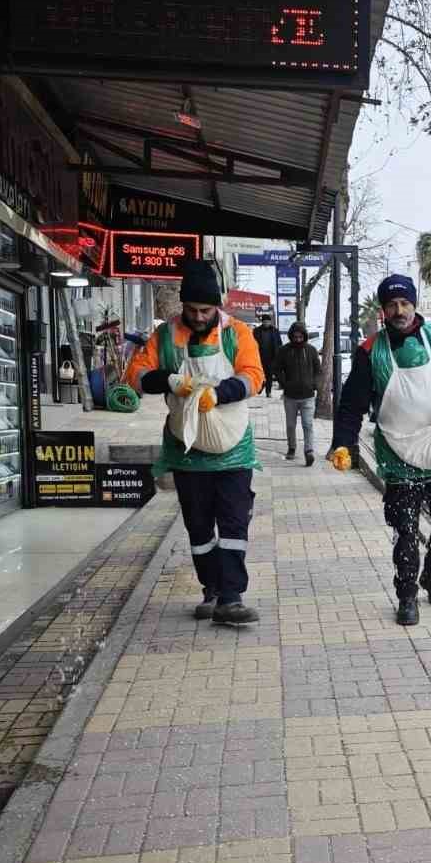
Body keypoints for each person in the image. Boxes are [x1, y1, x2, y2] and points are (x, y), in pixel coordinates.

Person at [327, 274, 431, 626]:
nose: (399, 311)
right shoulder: (371, 351)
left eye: (405, 303)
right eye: (392, 305)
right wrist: (343, 444)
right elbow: (351, 405)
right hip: (398, 454)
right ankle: (407, 594)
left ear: (414, 305)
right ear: (383, 310)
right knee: (405, 527)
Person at [125, 260, 264, 625]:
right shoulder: (165, 336)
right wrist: (169, 381)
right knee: (199, 527)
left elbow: (254, 376)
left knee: (234, 522)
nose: (199, 317)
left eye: (205, 310)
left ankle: (231, 598)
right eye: (192, 310)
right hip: (186, 449)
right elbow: (135, 375)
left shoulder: (236, 333)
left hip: (233, 448)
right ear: (183, 306)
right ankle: (212, 589)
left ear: (217, 305)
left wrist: (219, 394)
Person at [274, 320, 322, 465]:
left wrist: (314, 385)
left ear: (304, 336)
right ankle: (292, 447)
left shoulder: (311, 350)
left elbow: (318, 371)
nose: (298, 339)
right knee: (290, 425)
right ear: (291, 336)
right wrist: (285, 384)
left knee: (308, 424)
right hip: (290, 396)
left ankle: (309, 451)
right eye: (295, 337)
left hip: (308, 396)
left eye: (300, 337)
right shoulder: (284, 350)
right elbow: (277, 369)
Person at [252, 312, 282, 397]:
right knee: (260, 374)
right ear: (262, 322)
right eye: (264, 321)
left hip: (271, 357)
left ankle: (268, 392)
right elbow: (252, 343)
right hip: (260, 357)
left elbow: (279, 343)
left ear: (270, 322)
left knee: (269, 375)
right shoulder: (256, 331)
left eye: (268, 321)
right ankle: (260, 387)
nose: (266, 323)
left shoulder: (275, 331)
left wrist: (279, 354)